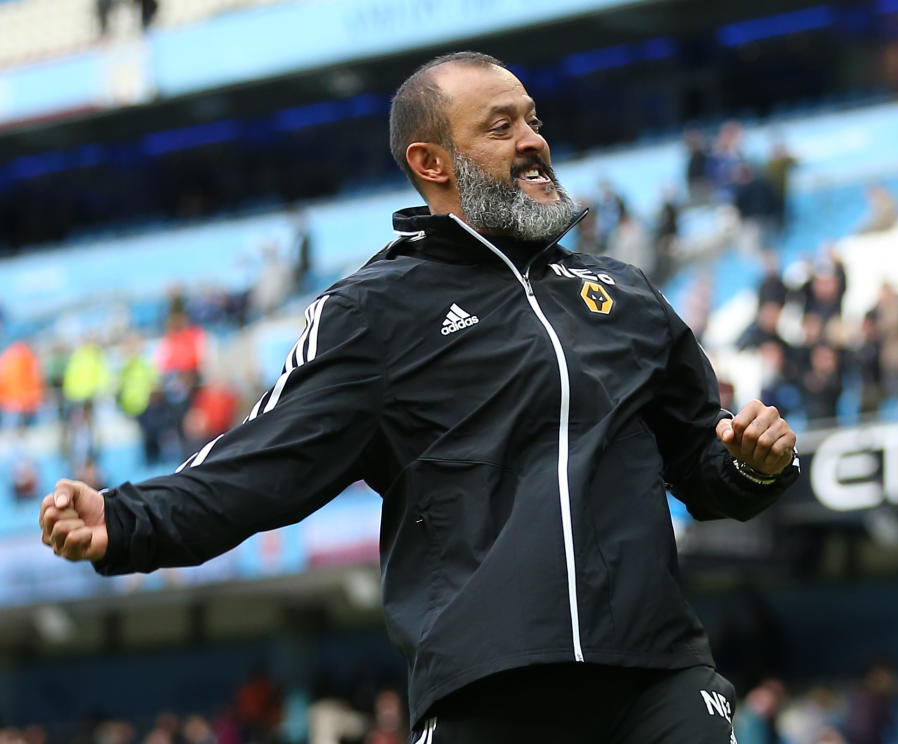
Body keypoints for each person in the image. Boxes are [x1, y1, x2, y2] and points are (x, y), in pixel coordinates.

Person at [40, 52, 800, 744]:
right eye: (501, 126)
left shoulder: (624, 295)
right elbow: (266, 463)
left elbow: (705, 466)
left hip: (660, 677)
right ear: (431, 162)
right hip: (489, 691)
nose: (533, 140)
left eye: (533, 119)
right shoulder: (374, 311)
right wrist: (128, 519)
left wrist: (752, 466)